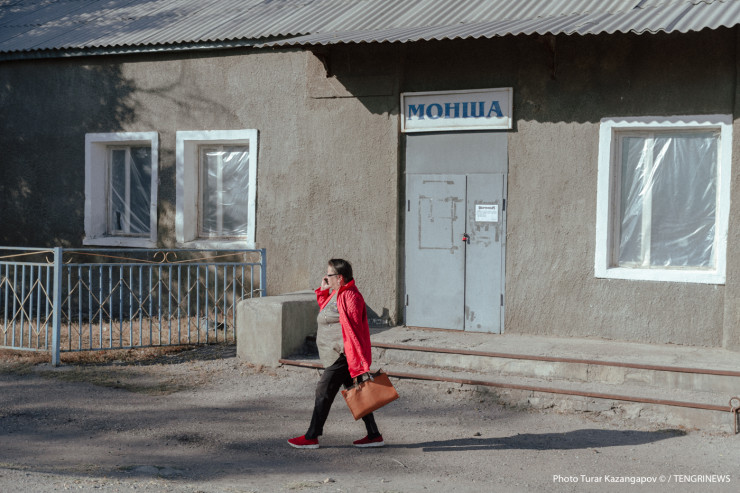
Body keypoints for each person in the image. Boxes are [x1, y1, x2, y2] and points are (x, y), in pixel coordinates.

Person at [288, 258, 384, 449]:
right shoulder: (337, 293)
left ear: (339, 278)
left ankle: (312, 436)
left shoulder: (351, 296)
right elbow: (327, 313)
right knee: (357, 392)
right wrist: (324, 290)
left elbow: (355, 327)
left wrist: (352, 354)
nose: (326, 277)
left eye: (329, 275)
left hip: (342, 354)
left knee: (323, 391)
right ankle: (374, 435)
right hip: (334, 353)